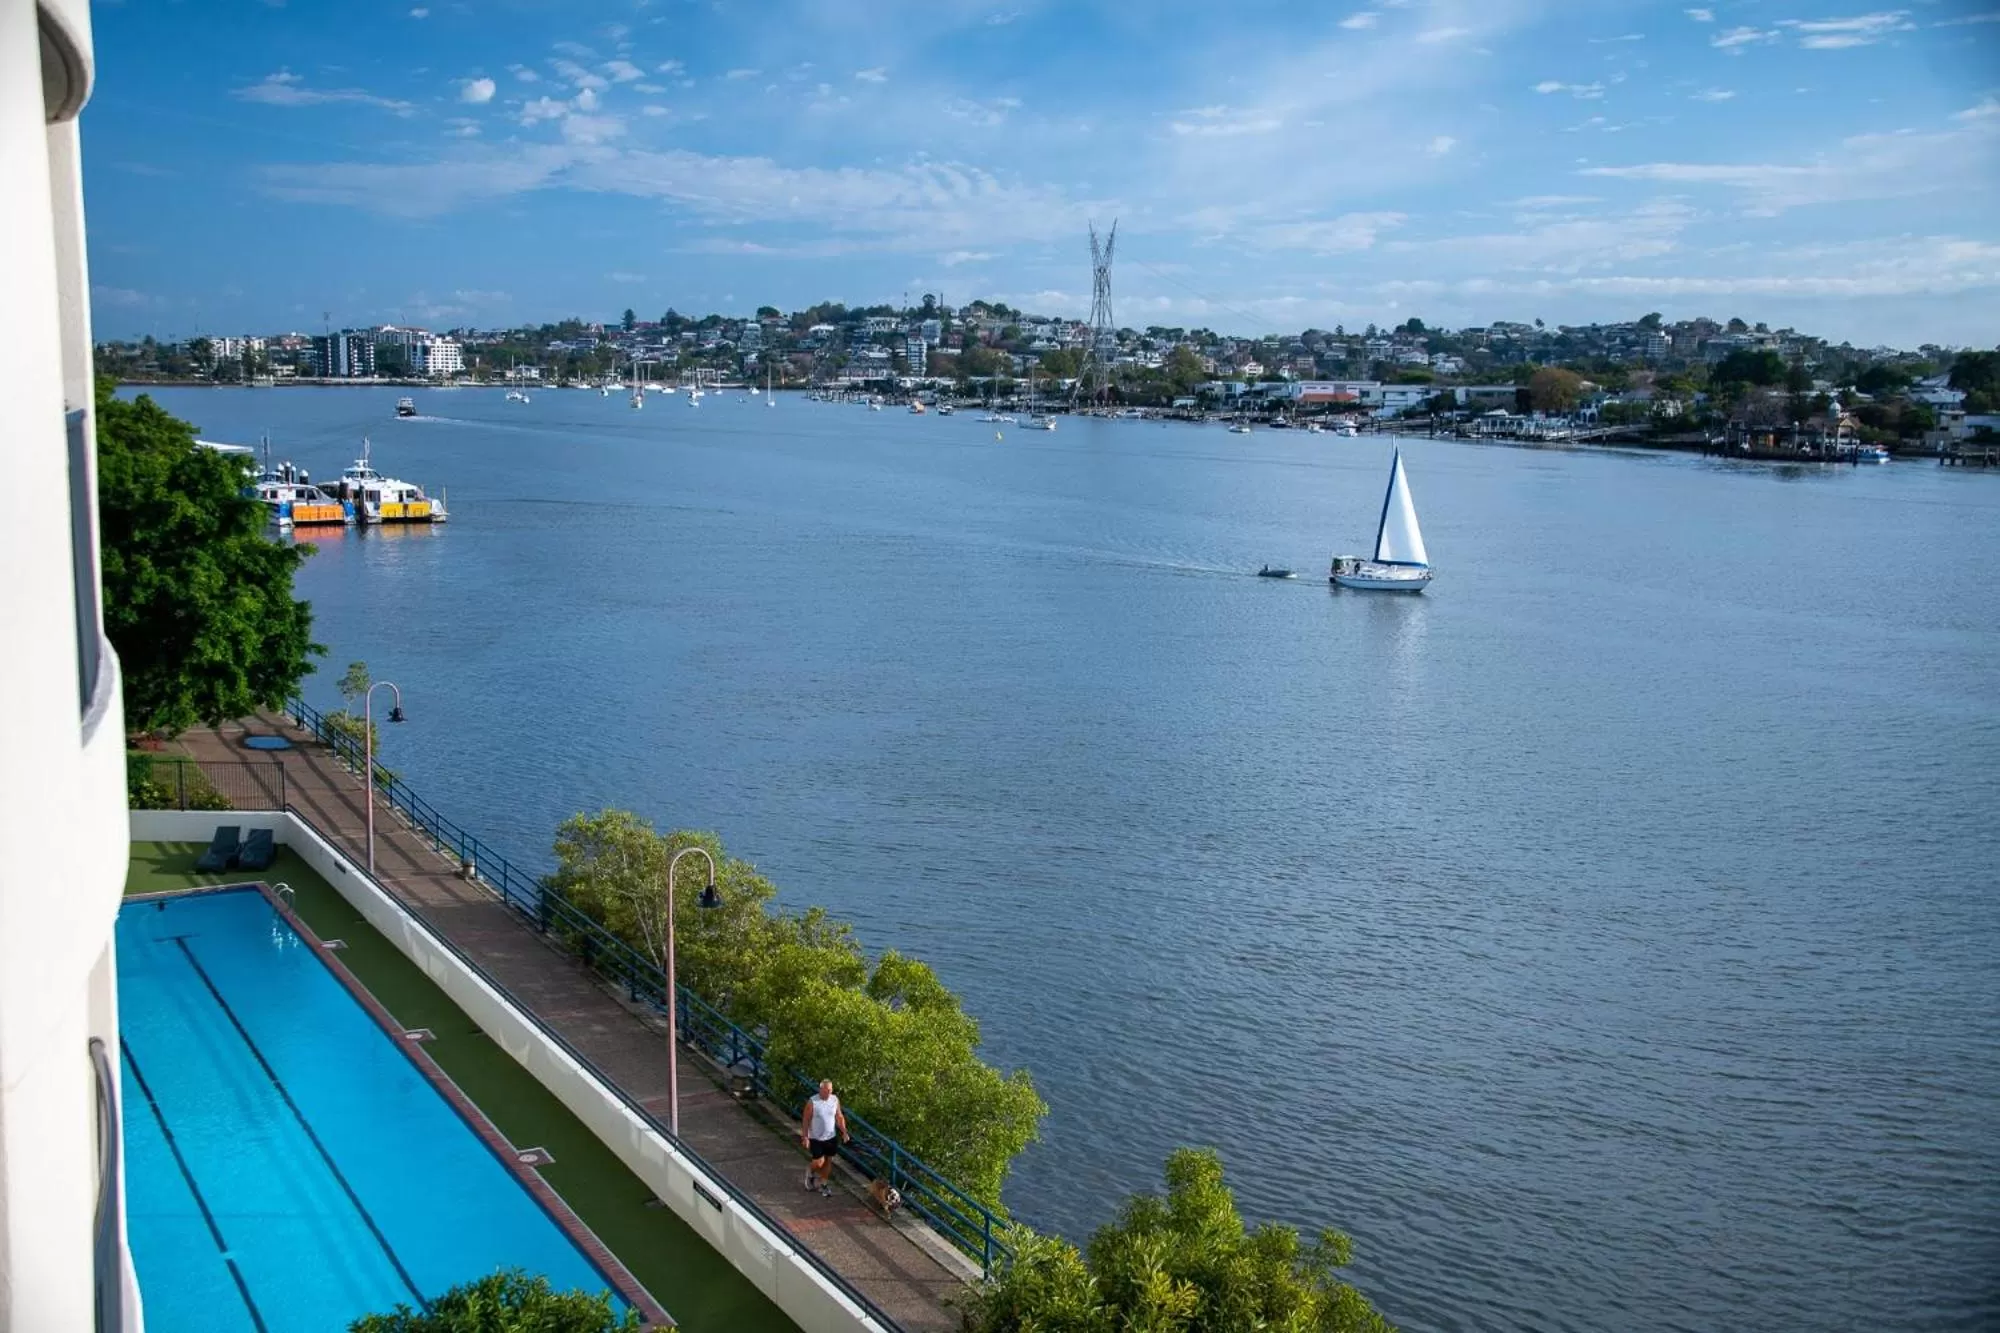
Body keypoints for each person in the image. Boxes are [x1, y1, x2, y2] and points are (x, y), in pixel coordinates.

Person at [800, 1079, 849, 1197]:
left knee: (828, 1161)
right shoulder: (813, 1102)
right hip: (816, 1138)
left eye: (831, 1090)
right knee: (819, 1161)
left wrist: (844, 1132)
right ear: (821, 1089)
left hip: (830, 1137)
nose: (829, 1092)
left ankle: (824, 1184)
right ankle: (810, 1171)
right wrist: (805, 1137)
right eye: (827, 1090)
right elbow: (806, 1119)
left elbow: (839, 1116)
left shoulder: (834, 1100)